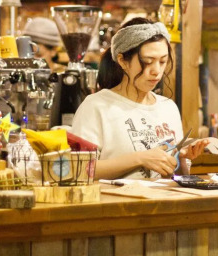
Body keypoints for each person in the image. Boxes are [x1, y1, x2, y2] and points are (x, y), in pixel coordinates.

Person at [71, 17, 207, 179]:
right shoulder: (96, 106)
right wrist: (140, 159)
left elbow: (176, 177)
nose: (157, 71)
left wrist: (181, 158)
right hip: (115, 196)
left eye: (162, 61)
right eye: (148, 62)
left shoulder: (168, 107)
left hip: (162, 196)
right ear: (122, 61)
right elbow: (78, 170)